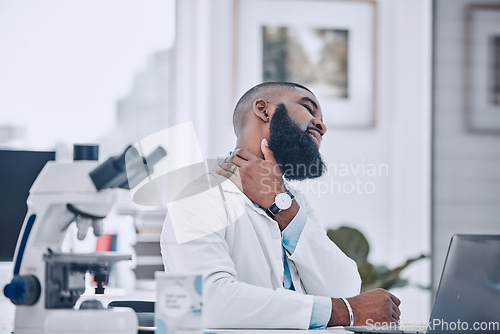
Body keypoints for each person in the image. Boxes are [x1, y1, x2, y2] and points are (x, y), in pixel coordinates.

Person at [160, 82, 401, 329]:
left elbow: (344, 287)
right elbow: (206, 302)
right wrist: (344, 311)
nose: (322, 125)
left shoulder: (291, 201)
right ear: (264, 110)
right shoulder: (197, 195)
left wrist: (281, 207)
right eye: (308, 108)